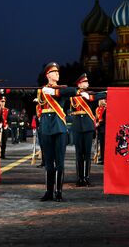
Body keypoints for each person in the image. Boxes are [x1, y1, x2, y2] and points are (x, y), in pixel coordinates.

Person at [36, 62, 79, 202]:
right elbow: (38, 100)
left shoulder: (62, 89)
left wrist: (54, 91)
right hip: (46, 128)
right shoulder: (41, 90)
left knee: (59, 162)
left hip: (59, 128)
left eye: (58, 72)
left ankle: (58, 192)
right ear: (48, 75)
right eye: (54, 72)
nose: (57, 74)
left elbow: (73, 90)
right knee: (48, 162)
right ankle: (49, 192)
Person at [70, 73, 106, 187]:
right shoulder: (74, 95)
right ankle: (79, 178)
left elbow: (97, 96)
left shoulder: (90, 94)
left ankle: (86, 178)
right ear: (80, 84)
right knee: (79, 154)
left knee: (87, 154)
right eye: (85, 82)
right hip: (77, 126)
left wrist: (107, 92)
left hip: (88, 126)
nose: (88, 84)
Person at [95, 98, 107, 165]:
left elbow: (105, 119)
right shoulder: (98, 109)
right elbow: (97, 118)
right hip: (100, 129)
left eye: (102, 100)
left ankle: (104, 158)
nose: (100, 101)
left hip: (105, 128)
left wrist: (99, 123)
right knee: (101, 144)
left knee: (104, 145)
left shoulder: (107, 108)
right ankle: (102, 157)